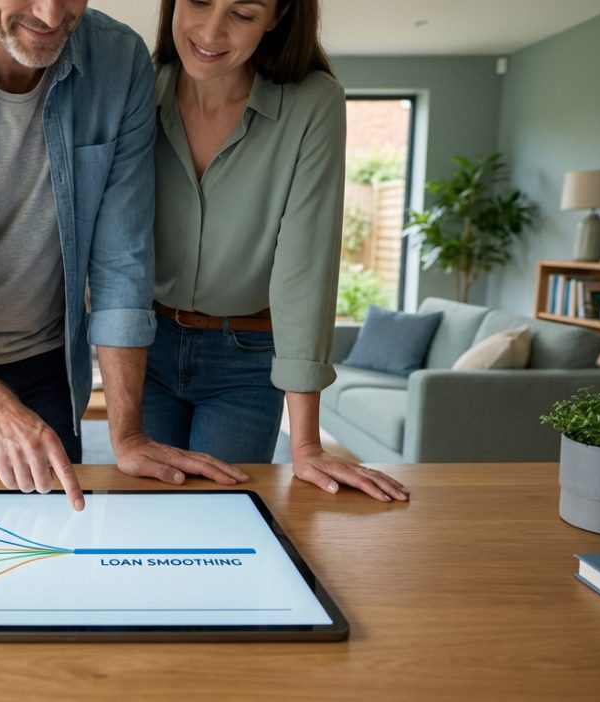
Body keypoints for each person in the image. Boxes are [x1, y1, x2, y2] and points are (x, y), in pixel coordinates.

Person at [0, 0, 247, 512]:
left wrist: (127, 435)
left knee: (53, 545)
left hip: (45, 360)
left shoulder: (119, 62)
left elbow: (122, 262)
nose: (52, 15)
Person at [145, 0, 408, 502]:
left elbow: (303, 268)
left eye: (242, 14)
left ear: (278, 16)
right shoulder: (138, 86)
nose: (211, 29)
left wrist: (306, 443)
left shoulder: (312, 102)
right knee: (141, 523)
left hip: (245, 361)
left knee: (222, 526)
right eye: (198, 0)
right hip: (144, 348)